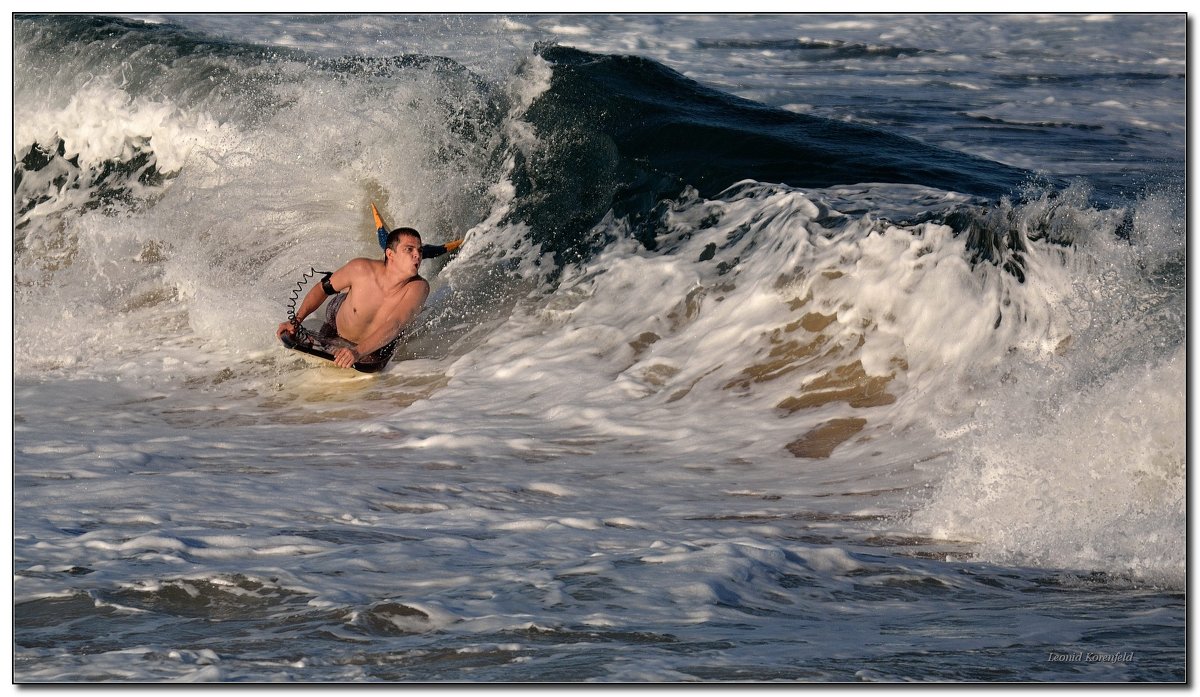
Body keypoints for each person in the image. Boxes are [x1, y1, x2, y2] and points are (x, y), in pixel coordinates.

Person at [277, 227, 431, 369]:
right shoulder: (360, 268)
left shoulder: (419, 287)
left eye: (420, 251)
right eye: (409, 249)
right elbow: (322, 288)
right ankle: (348, 286)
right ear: (390, 254)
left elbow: (396, 323)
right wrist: (296, 320)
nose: (417, 255)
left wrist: (357, 352)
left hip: (378, 343)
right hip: (337, 321)